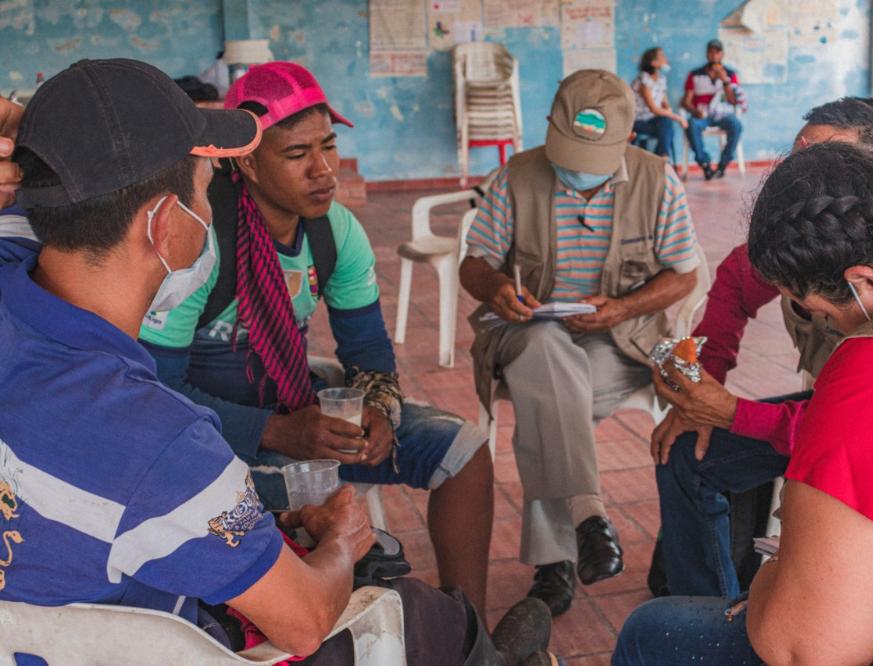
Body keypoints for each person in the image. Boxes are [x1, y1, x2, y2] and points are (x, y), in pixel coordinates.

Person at [0, 57, 553, 666]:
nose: (322, 170)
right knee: (404, 608)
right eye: (206, 185)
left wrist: (380, 408)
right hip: (169, 637)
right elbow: (306, 621)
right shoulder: (157, 442)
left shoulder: (16, 263)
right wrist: (340, 539)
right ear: (164, 225)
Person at [616, 140, 873, 664]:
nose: (828, 327)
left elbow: (807, 649)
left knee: (651, 632)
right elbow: (735, 281)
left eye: (817, 312)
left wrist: (780, 571)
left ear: (867, 285)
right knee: (690, 456)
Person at [134, 62, 494, 616]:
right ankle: (356, 624)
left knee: (462, 449)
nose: (324, 170)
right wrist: (277, 429)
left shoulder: (335, 231)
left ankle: (470, 627)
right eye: (298, 154)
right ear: (248, 161)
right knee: (313, 496)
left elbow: (368, 353)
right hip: (210, 436)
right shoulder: (203, 240)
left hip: (295, 406)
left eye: (329, 147)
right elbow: (155, 392)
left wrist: (378, 408)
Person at [460, 69, 701, 616]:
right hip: (531, 334)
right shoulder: (515, 178)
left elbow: (683, 275)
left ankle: (555, 566)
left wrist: (622, 307)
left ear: (625, 141)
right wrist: (497, 288)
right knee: (544, 353)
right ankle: (590, 517)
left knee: (548, 406)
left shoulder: (657, 180)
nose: (578, 176)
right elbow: (474, 265)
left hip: (624, 345)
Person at [647, 97, 873, 599]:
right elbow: (734, 286)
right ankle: (703, 616)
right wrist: (703, 391)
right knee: (684, 448)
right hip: (831, 422)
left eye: (823, 164)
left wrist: (732, 414)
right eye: (796, 158)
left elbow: (865, 435)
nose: (797, 180)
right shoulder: (799, 245)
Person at [681, 39, 745, 180]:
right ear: (707, 54)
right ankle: (704, 163)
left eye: (717, 52)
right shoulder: (695, 74)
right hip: (702, 115)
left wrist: (725, 81)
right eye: (711, 52)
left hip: (724, 115)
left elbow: (734, 101)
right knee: (691, 124)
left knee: (736, 125)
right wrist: (694, 111)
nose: (714, 55)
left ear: (722, 55)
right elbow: (686, 101)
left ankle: (723, 165)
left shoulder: (730, 74)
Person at [631, 47, 688, 164]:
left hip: (653, 121)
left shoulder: (661, 79)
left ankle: (660, 157)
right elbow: (654, 109)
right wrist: (678, 118)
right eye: (662, 57)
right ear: (653, 63)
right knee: (667, 128)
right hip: (638, 122)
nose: (665, 59)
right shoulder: (643, 80)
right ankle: (661, 158)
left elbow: (664, 103)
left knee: (666, 124)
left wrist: (669, 110)